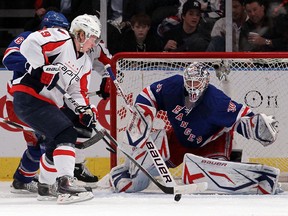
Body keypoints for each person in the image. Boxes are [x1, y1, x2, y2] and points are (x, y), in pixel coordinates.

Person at [110, 62, 280, 195]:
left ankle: (262, 178)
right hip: (178, 140)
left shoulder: (215, 100)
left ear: (205, 82)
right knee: (131, 183)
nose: (193, 86)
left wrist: (258, 126)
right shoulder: (173, 86)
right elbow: (149, 94)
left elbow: (241, 118)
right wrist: (143, 115)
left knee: (199, 175)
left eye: (197, 82)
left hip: (211, 143)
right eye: (189, 82)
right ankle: (126, 171)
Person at [9, 14, 101, 203]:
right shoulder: (60, 37)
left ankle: (45, 186)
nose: (94, 43)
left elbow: (78, 92)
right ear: (82, 34)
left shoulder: (85, 63)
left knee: (55, 142)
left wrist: (85, 110)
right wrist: (40, 67)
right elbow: (30, 43)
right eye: (93, 38)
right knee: (66, 133)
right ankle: (65, 184)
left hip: (47, 104)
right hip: (29, 96)